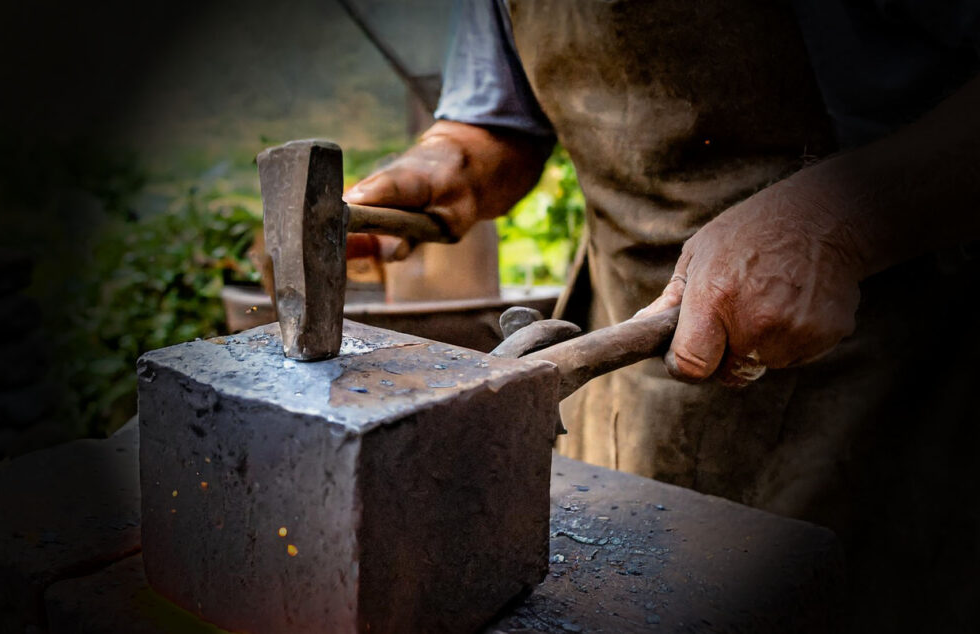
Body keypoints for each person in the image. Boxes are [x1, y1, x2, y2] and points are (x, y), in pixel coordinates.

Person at [346, 1, 979, 630]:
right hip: (627, 358)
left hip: (884, 372)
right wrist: (445, 161)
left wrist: (838, 224)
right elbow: (496, 124)